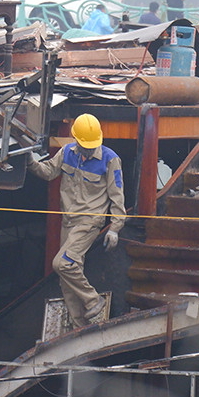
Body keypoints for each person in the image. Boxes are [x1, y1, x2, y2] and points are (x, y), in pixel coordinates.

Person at [29, 114, 126, 329]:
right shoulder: (66, 153)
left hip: (89, 223)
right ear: (76, 140)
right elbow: (48, 172)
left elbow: (117, 196)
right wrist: (29, 160)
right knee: (67, 279)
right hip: (69, 222)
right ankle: (79, 327)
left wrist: (115, 228)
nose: (89, 150)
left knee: (62, 264)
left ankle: (93, 300)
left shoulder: (110, 159)